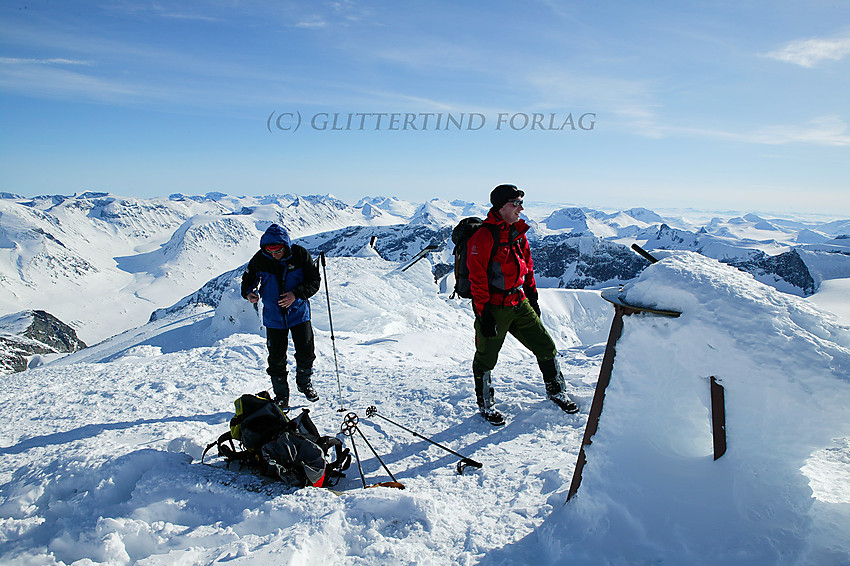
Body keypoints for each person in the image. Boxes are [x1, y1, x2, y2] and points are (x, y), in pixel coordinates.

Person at [467, 184, 579, 425]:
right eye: (515, 203)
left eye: (520, 203)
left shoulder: (518, 232)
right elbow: (477, 277)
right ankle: (486, 405)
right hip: (495, 307)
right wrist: (484, 313)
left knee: (545, 345)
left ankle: (556, 390)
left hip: (520, 301)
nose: (521, 208)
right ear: (501, 206)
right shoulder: (484, 236)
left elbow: (527, 266)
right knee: (486, 358)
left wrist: (533, 297)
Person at [242, 223, 321, 407]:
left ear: (285, 246)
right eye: (270, 251)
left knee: (306, 352)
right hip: (274, 317)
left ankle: (304, 383)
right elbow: (248, 279)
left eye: (277, 250)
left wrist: (296, 294)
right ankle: (282, 396)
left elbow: (314, 281)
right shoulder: (260, 259)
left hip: (299, 313)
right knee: (276, 358)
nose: (274, 255)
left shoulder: (300, 255)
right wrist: (248, 292)